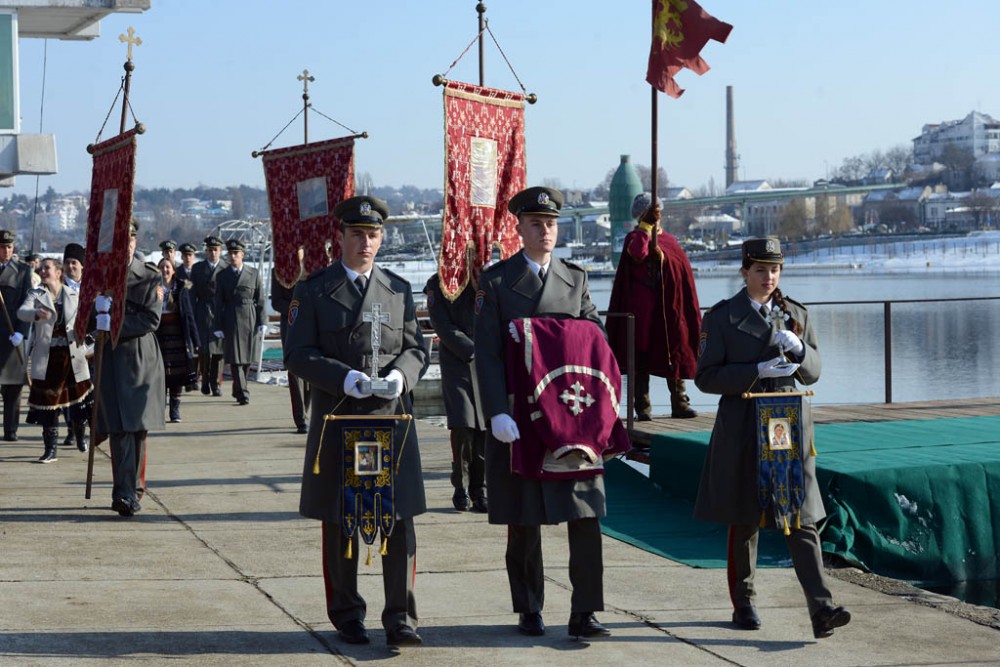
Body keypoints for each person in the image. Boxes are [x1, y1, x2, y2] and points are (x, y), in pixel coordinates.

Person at [285, 195, 428, 648]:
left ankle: (401, 617)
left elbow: (416, 349)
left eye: (373, 234)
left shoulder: (399, 289)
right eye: (357, 234)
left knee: (398, 517)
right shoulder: (313, 290)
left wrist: (401, 378)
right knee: (340, 518)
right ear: (340, 237)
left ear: (382, 238)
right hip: (339, 420)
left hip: (391, 420)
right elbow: (298, 354)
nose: (366, 242)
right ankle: (347, 613)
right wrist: (344, 377)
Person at [693, 237, 851, 639]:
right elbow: (706, 377)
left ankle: (822, 608)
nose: (768, 277)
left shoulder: (794, 313)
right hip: (745, 427)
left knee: (802, 518)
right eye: (760, 269)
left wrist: (800, 350)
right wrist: (755, 370)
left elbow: (814, 371)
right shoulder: (722, 317)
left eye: (774, 270)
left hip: (789, 430)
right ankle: (743, 602)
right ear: (744, 271)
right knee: (745, 517)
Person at [473, 186, 612, 640]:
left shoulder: (576, 279)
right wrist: (495, 411)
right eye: (536, 223)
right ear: (519, 229)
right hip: (520, 418)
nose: (545, 230)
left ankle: (585, 611)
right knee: (524, 518)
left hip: (573, 418)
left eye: (551, 223)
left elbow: (596, 336)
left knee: (585, 513)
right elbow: (487, 356)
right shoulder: (495, 283)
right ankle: (529, 606)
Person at [607, 193, 701, 420]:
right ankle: (643, 407)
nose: (654, 218)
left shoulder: (669, 240)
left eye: (655, 215)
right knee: (640, 357)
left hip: (668, 310)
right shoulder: (634, 238)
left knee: (673, 352)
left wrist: (664, 258)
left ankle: (679, 403)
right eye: (648, 215)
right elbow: (637, 254)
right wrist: (645, 229)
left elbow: (679, 269)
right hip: (642, 312)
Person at [93, 221, 165, 517]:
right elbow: (85, 319)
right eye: (123, 239)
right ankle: (123, 492)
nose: (129, 245)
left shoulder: (149, 277)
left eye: (132, 239)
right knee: (118, 428)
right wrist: (93, 318)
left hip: (139, 361)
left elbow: (151, 319)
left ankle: (133, 489)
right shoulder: (99, 277)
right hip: (109, 361)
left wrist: (114, 325)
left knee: (136, 429)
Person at [17, 258, 93, 462]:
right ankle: (50, 450)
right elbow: (21, 312)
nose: (42, 271)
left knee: (77, 404)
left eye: (47, 268)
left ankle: (80, 436)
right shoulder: (36, 293)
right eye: (41, 268)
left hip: (72, 357)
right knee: (48, 404)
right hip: (47, 357)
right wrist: (35, 313)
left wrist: (89, 342)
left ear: (59, 272)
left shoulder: (73, 294)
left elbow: (86, 319)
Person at [424, 272, 487, 513]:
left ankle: (480, 488)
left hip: (486, 360)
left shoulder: (485, 279)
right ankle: (461, 486)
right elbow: (441, 323)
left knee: (484, 426)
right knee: (463, 425)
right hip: (457, 360)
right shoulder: (437, 283)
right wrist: (471, 349)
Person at [213, 238, 265, 406]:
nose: (233, 256)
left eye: (236, 253)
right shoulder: (222, 276)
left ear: (242, 255)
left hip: (249, 317)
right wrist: (218, 326)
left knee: (247, 359)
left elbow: (261, 299)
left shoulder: (253, 273)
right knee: (235, 358)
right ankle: (243, 393)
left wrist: (262, 321)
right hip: (231, 317)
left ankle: (237, 388)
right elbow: (218, 302)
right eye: (231, 253)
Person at [270, 247, 309, 433]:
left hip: (313, 326)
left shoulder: (315, 268)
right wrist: (295, 310)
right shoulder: (279, 271)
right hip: (291, 326)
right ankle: (301, 419)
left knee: (313, 372)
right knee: (294, 372)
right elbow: (276, 301)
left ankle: (308, 411)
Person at [0, 230, 33, 442]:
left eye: (10, 247)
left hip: (13, 334)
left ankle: (10, 430)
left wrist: (22, 331)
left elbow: (28, 303)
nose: (6, 251)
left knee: (12, 387)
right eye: (3, 247)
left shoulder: (22, 271)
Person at [156, 258, 199, 422]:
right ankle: (160, 410)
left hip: (178, 335)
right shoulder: (154, 288)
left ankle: (175, 411)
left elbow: (188, 315)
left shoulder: (181, 288)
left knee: (177, 374)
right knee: (161, 374)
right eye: (162, 267)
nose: (165, 270)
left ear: (173, 270)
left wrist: (196, 341)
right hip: (160, 336)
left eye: (167, 267)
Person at [59, 242, 91, 452]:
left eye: (75, 263)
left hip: (87, 347)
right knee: (67, 394)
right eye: (68, 263)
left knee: (85, 393)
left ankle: (81, 433)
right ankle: (71, 429)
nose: (71, 267)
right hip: (64, 346)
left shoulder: (91, 288)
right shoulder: (57, 287)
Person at [190, 236, 226, 396]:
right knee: (204, 351)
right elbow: (192, 293)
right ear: (206, 251)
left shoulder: (226, 268)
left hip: (220, 311)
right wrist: (190, 314)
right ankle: (205, 380)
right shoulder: (198, 268)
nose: (213, 253)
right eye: (210, 250)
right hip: (203, 311)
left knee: (219, 351)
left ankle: (215, 383)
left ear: (220, 251)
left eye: (216, 250)